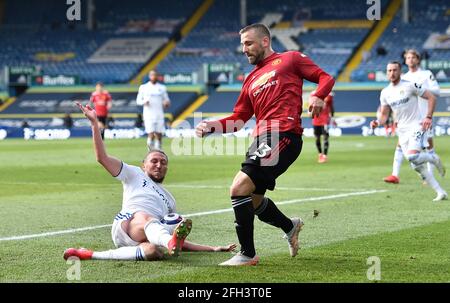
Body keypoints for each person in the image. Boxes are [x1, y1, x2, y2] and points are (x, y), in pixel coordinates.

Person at [195, 23, 335, 266]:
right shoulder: (250, 80)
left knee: (238, 187)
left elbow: (325, 77)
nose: (244, 49)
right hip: (261, 139)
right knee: (253, 201)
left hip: (283, 134)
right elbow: (238, 120)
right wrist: (212, 126)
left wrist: (318, 95)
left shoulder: (290, 60)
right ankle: (289, 226)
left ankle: (247, 254)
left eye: (248, 43)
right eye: (242, 45)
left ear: (265, 41)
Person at [64, 102, 236, 262]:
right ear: (143, 165)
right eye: (154, 161)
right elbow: (102, 158)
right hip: (128, 224)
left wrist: (213, 249)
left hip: (146, 237)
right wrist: (94, 123)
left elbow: (177, 241)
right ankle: (167, 242)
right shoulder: (134, 173)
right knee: (146, 217)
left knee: (153, 251)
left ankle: (89, 254)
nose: (159, 165)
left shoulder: (170, 200)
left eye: (163, 162)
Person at [370, 61, 447, 202]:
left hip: (416, 125)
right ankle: (440, 192)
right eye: (389, 71)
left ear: (400, 72)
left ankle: (433, 158)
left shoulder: (410, 85)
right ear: (386, 73)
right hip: (402, 130)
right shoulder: (385, 92)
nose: (392, 73)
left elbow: (431, 97)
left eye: (395, 70)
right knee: (416, 166)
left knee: (412, 157)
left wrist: (428, 117)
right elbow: (384, 115)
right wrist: (377, 122)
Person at [383, 49, 442, 184]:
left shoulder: (426, 74)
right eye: (407, 57)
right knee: (399, 145)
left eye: (412, 57)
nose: (410, 60)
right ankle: (395, 175)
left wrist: (420, 89)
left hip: (424, 115)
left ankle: (429, 177)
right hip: (408, 118)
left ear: (418, 59)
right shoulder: (403, 77)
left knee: (428, 146)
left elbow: (436, 92)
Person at [136, 70, 170, 151]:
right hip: (148, 114)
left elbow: (166, 100)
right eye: (152, 75)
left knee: (159, 133)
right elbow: (138, 101)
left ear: (157, 76)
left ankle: (159, 148)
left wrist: (166, 103)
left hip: (159, 114)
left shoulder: (162, 88)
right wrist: (144, 102)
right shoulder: (144, 87)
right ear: (149, 76)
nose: (154, 76)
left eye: (155, 75)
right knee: (150, 133)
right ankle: (150, 150)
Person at [311, 90, 335, 163]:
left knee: (325, 137)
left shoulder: (329, 95)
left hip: (325, 120)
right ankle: (320, 154)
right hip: (316, 120)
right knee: (317, 138)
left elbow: (331, 107)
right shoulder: (313, 94)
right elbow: (311, 105)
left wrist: (333, 118)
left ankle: (324, 156)